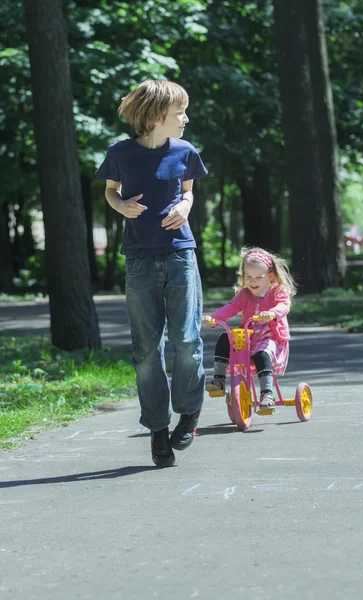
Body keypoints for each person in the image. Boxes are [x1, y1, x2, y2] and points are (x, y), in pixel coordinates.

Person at [95, 80, 208, 468]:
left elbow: (189, 191)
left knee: (186, 339)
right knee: (147, 352)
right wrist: (120, 204)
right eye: (180, 112)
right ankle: (158, 431)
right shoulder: (120, 153)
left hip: (180, 256)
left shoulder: (185, 151)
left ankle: (189, 413)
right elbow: (110, 191)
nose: (185, 118)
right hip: (139, 261)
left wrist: (186, 206)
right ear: (158, 117)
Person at [202, 247, 296, 409]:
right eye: (248, 277)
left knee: (262, 353)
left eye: (259, 277)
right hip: (249, 336)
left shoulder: (277, 292)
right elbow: (231, 308)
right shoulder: (244, 294)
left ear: (270, 275)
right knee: (226, 338)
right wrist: (213, 319)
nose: (253, 281)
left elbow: (284, 305)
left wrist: (272, 313)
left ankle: (267, 393)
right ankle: (219, 380)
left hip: (270, 338)